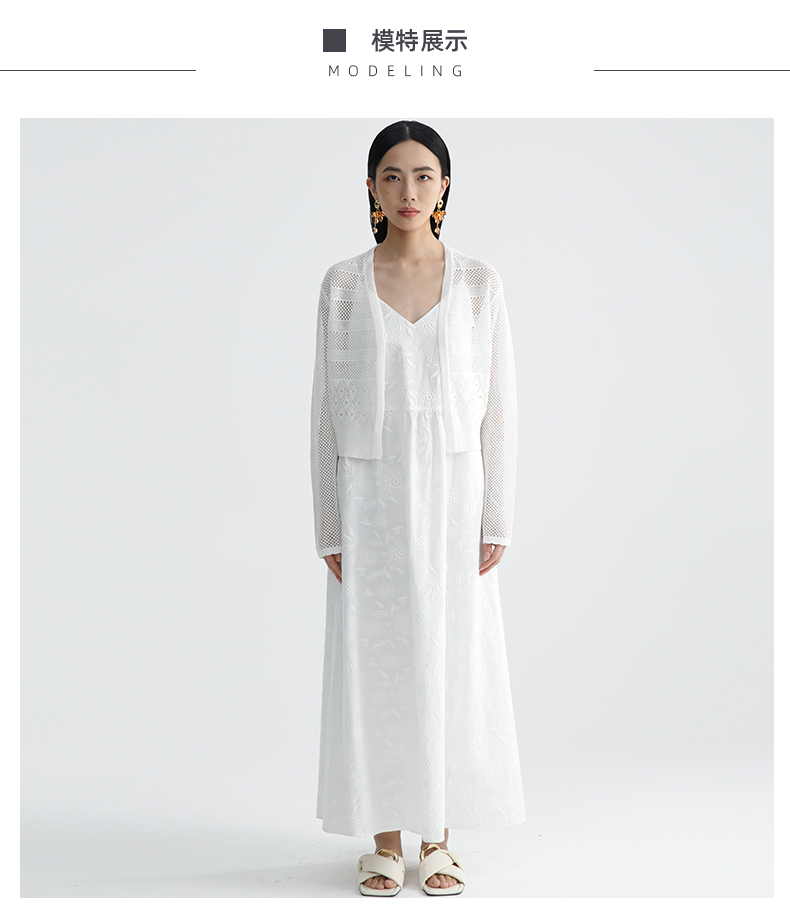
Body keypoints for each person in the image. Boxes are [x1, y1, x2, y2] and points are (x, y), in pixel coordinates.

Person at [310, 120, 525, 896]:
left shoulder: (478, 284)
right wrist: (329, 524)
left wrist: (496, 516)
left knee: (449, 655)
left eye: (423, 175)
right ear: (371, 188)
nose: (409, 190)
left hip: (455, 489)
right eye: (393, 176)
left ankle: (438, 836)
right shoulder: (342, 284)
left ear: (444, 187)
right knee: (376, 657)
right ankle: (383, 837)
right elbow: (324, 411)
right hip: (370, 491)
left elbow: (499, 407)